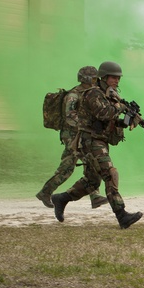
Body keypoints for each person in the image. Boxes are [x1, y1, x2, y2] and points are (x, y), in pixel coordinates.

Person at [51, 61, 143, 229]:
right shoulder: (94, 93)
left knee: (91, 182)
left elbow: (111, 120)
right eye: (113, 77)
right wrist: (122, 107)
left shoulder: (109, 94)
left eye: (118, 78)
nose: (116, 81)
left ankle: (61, 198)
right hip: (89, 140)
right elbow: (104, 113)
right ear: (104, 77)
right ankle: (122, 215)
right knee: (110, 173)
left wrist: (128, 120)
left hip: (99, 140)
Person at [35, 66, 107, 210]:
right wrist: (87, 125)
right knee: (70, 167)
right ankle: (46, 192)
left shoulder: (88, 94)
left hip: (80, 135)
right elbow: (70, 117)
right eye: (93, 78)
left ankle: (94, 196)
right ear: (85, 79)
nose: (96, 81)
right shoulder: (74, 95)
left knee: (87, 163)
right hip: (72, 136)